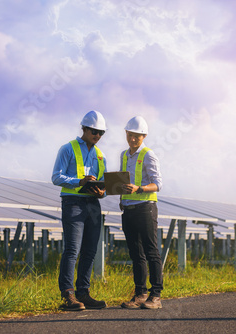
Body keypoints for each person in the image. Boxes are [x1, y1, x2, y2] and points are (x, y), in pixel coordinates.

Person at [52, 110, 108, 311]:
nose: (98, 136)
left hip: (93, 203)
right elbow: (56, 177)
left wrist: (102, 192)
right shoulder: (67, 149)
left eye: (101, 132)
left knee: (90, 250)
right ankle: (68, 294)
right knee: (72, 249)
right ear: (84, 128)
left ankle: (83, 292)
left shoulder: (100, 155)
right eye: (94, 131)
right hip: (73, 202)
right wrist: (79, 181)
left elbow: (103, 182)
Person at [119, 116, 164, 310]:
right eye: (130, 135)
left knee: (151, 251)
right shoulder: (124, 155)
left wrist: (139, 189)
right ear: (126, 134)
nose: (133, 139)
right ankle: (140, 294)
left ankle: (156, 295)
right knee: (136, 253)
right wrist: (122, 198)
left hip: (145, 208)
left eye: (137, 136)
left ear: (144, 136)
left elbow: (158, 184)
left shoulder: (148, 155)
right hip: (128, 209)